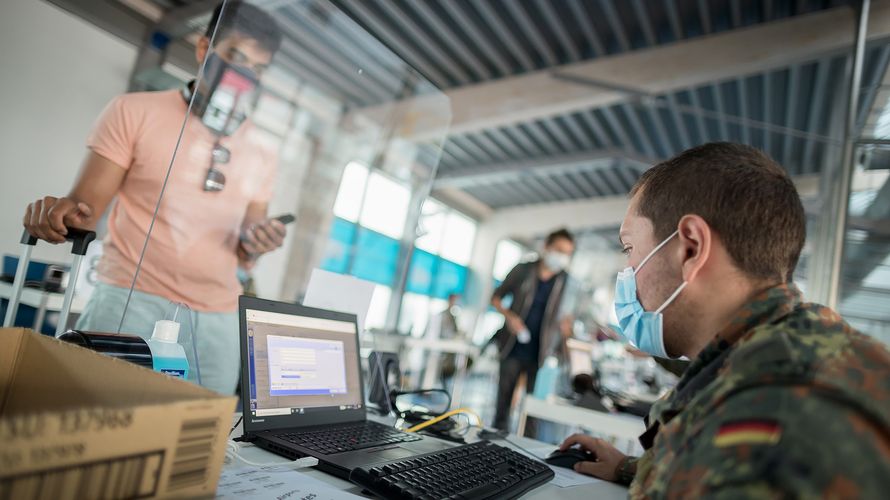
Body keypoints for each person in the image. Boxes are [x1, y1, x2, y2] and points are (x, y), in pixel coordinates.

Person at [558, 143, 890, 497]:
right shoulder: (810, 345)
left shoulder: (769, 418)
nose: (627, 272)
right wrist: (633, 469)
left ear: (691, 248)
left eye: (630, 249)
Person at [21, 2, 285, 395]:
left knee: (198, 435)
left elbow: (247, 250)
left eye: (258, 69)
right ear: (203, 49)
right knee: (96, 411)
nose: (244, 75)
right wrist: (58, 215)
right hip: (132, 297)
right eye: (235, 57)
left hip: (217, 318)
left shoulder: (263, 151)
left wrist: (259, 241)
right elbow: (83, 212)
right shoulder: (133, 111)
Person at [490, 228, 575, 431]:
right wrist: (510, 317)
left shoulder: (565, 280)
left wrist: (566, 330)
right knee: (503, 404)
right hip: (512, 346)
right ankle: (493, 444)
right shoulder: (523, 270)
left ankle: (525, 452)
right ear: (546, 246)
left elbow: (566, 315)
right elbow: (495, 297)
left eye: (567, 253)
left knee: (534, 410)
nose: (562, 256)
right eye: (559, 250)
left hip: (541, 353)